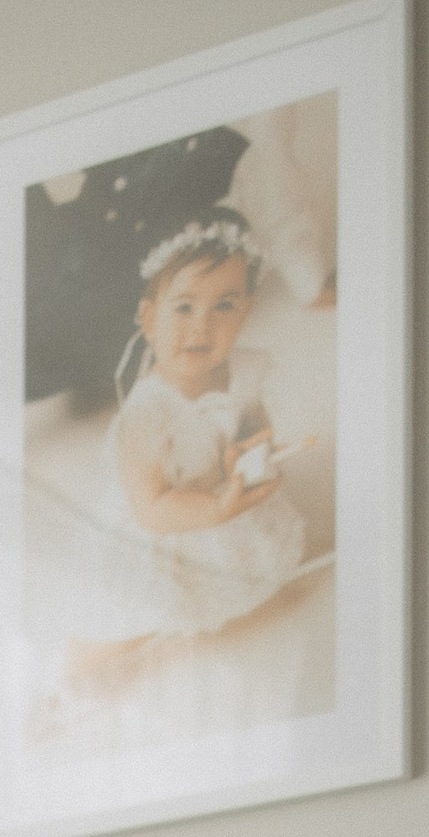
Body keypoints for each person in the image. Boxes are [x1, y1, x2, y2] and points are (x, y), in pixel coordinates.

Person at [63, 210, 309, 688]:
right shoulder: (147, 415)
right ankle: (80, 673)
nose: (202, 327)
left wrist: (256, 449)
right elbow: (152, 509)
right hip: (159, 525)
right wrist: (216, 507)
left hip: (214, 497)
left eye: (225, 306)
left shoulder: (245, 368)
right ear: (148, 318)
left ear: (247, 312)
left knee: (260, 572)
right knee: (128, 615)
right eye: (184, 308)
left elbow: (252, 420)